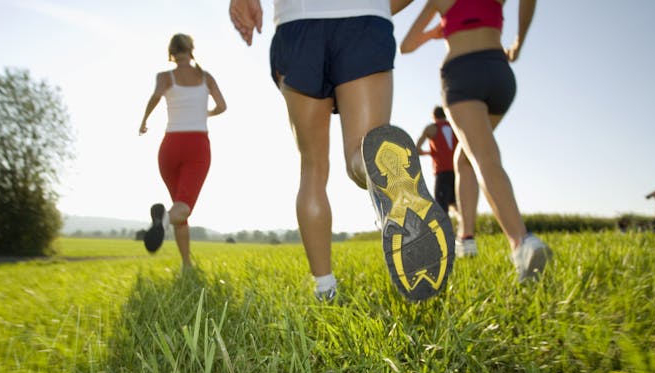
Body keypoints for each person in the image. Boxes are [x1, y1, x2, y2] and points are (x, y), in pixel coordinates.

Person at [229, 0, 454, 301]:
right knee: (363, 151)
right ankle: (385, 167)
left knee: (312, 166)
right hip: (365, 19)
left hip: (298, 21)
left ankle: (325, 288)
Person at [400, 0, 551, 281]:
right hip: (499, 74)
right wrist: (517, 43)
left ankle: (522, 241)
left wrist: (436, 32)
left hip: (462, 73)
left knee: (484, 158)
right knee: (465, 157)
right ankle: (466, 237)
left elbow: (406, 45)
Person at [139, 33, 227, 268]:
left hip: (169, 147)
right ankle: (163, 221)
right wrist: (205, 113)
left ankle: (186, 264)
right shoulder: (205, 77)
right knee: (183, 208)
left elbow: (155, 97)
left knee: (179, 205)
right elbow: (222, 106)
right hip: (197, 146)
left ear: (171, 52)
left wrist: (144, 120)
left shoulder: (165, 77)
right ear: (191, 49)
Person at [416, 105, 479, 257]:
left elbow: (416, 148)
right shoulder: (455, 126)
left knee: (441, 208)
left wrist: (431, 152)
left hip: (442, 172)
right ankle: (464, 235)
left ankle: (446, 242)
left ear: (434, 116)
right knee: (456, 206)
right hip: (459, 171)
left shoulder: (431, 128)